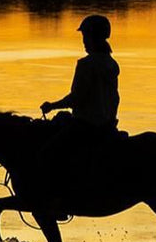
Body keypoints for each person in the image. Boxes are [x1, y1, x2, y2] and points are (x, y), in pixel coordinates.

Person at [40, 14, 121, 153]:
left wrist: (52, 106)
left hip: (85, 127)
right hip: (108, 127)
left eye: (85, 36)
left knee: (47, 152)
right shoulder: (112, 64)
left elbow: (76, 99)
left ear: (92, 37)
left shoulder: (86, 64)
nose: (84, 42)